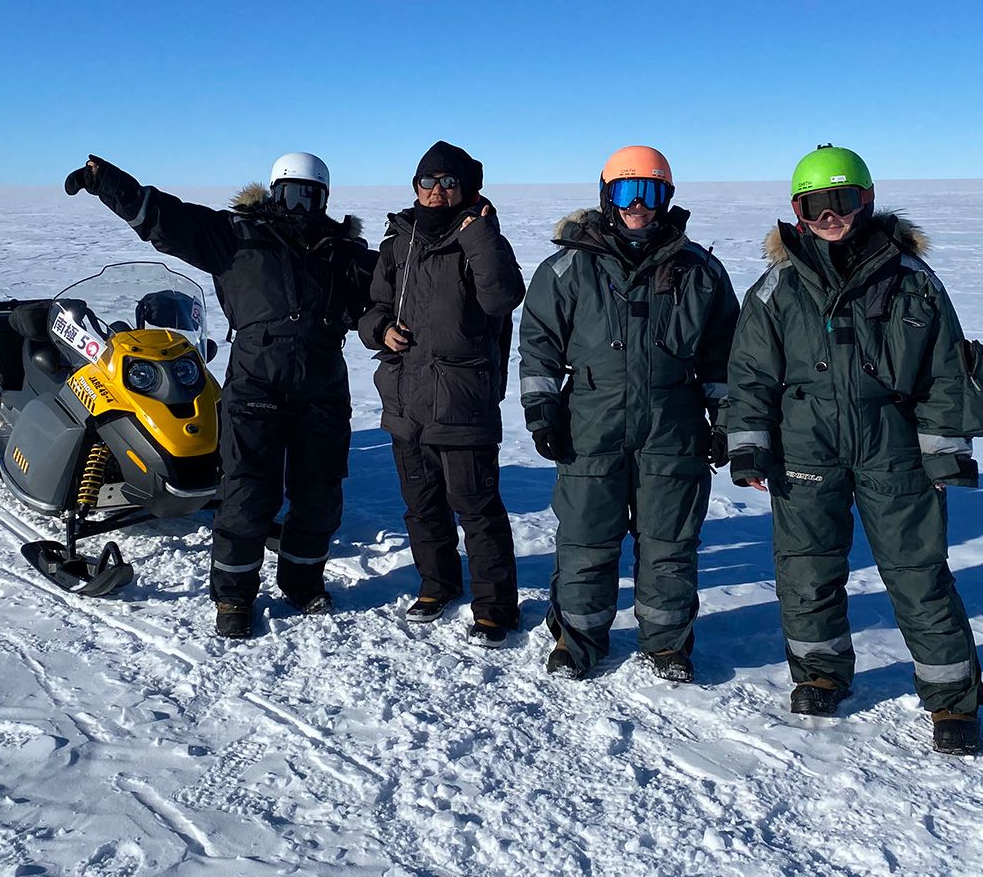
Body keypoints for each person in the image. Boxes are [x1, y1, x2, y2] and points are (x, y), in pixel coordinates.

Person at [725, 144, 983, 754]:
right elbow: (750, 374)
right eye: (814, 205)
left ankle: (952, 699)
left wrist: (945, 450)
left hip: (893, 445)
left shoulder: (913, 280)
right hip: (805, 444)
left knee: (917, 573)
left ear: (865, 201)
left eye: (841, 201)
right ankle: (820, 673)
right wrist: (748, 445)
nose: (830, 216)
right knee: (806, 568)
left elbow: (947, 373)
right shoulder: (777, 287)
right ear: (797, 212)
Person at [66, 151, 376, 639]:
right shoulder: (234, 236)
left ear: (324, 199)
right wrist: (109, 183)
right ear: (273, 193)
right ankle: (233, 597)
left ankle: (302, 581)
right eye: (291, 194)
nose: (300, 207)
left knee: (320, 493)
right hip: (257, 385)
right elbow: (162, 217)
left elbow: (397, 292)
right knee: (246, 494)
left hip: (323, 390)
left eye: (310, 196)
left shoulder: (344, 252)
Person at [518, 146, 740, 682]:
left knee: (669, 542)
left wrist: (726, 420)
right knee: (586, 537)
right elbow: (540, 343)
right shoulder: (568, 268)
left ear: (667, 199)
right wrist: (542, 410)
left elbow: (725, 355)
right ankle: (578, 638)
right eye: (626, 192)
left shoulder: (700, 271)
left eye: (651, 192)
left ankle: (666, 644)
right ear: (606, 196)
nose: (638, 205)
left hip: (674, 422)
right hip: (590, 421)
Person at [357, 141, 525, 647]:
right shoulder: (397, 243)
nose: (436, 192)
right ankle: (437, 584)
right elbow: (370, 308)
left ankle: (495, 607)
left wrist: (478, 236)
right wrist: (380, 328)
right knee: (422, 505)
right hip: (406, 398)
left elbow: (502, 297)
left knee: (476, 507)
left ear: (467, 188)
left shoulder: (484, 239)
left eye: (448, 183)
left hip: (462, 400)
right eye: (427, 182)